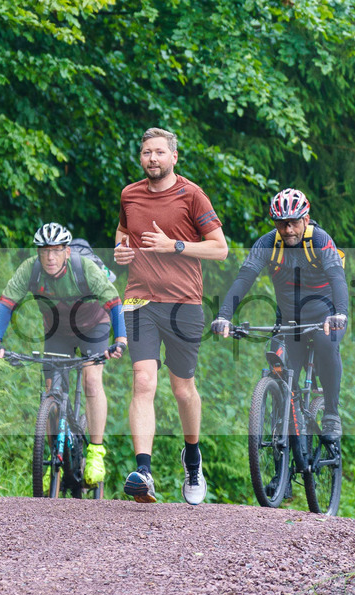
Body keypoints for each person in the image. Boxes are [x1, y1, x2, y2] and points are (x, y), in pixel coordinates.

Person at [113, 127, 229, 505]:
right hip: (139, 300)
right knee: (143, 381)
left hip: (184, 304)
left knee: (183, 390)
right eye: (147, 152)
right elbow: (121, 232)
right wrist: (121, 251)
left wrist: (173, 245)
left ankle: (192, 456)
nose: (153, 159)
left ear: (173, 157)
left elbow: (220, 249)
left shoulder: (192, 195)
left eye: (160, 152)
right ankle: (143, 471)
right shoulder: (129, 194)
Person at [0, 223, 127, 488]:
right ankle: (55, 456)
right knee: (51, 391)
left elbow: (114, 303)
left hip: (93, 326)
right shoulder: (31, 269)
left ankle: (96, 452)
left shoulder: (84, 268)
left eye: (56, 251)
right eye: (44, 251)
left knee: (91, 381)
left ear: (67, 251)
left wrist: (120, 339)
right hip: (57, 330)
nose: (49, 257)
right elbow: (6, 304)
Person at [210, 187, 348, 443]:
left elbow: (338, 278)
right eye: (281, 224)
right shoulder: (266, 244)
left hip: (325, 317)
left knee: (325, 344)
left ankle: (331, 414)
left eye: (294, 223)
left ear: (305, 220)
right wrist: (224, 316)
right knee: (280, 371)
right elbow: (243, 280)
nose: (288, 230)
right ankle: (281, 449)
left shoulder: (319, 240)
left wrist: (340, 313)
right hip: (289, 320)